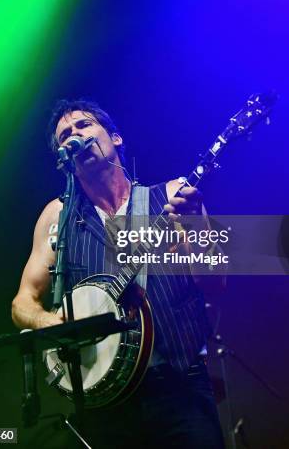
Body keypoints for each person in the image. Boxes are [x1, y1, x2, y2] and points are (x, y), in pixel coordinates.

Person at [12, 98, 224, 448]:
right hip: (104, 404)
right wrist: (47, 322)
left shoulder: (172, 195)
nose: (73, 136)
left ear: (115, 138)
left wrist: (195, 233)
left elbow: (217, 282)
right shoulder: (58, 217)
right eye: (65, 135)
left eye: (83, 126)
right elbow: (22, 301)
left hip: (180, 388)